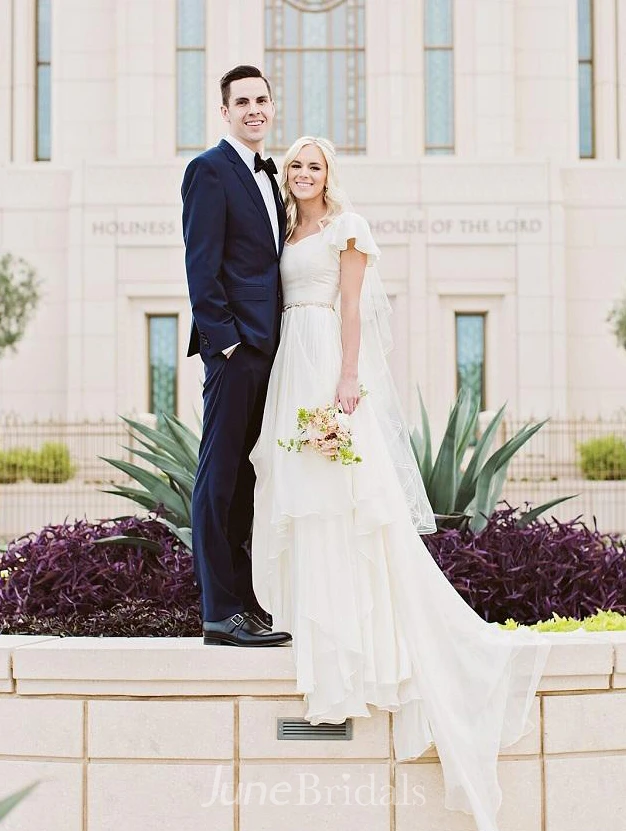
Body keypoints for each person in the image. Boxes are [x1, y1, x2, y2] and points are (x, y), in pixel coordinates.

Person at [249, 136, 554, 830]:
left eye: (313, 165)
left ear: (330, 174)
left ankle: (364, 650)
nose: (301, 173)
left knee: (344, 503)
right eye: (294, 164)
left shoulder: (347, 230)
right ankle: (317, 637)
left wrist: (346, 381)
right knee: (302, 501)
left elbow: (351, 309)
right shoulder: (286, 229)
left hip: (325, 363)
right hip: (287, 366)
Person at [181, 65, 291, 647]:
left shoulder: (267, 177)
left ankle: (244, 603)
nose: (253, 109)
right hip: (236, 350)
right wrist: (223, 340)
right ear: (224, 111)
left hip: (268, 349)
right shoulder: (209, 170)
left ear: (273, 108)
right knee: (218, 477)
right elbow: (202, 264)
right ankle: (220, 613)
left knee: (245, 479)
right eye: (242, 101)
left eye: (262, 100)